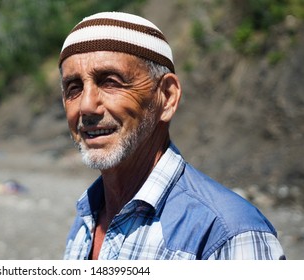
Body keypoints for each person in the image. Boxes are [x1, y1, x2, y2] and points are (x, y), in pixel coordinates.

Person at [58, 12, 285, 260]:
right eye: (74, 88)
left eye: (111, 82)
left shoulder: (227, 234)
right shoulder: (87, 219)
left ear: (166, 97)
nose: (87, 106)